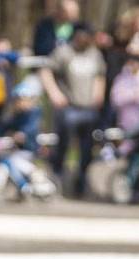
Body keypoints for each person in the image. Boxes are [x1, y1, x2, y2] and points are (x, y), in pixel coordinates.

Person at [41, 22, 105, 198]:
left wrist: (98, 95)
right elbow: (46, 71)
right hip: (69, 107)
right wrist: (54, 93)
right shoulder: (64, 52)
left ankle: (81, 183)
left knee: (87, 149)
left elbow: (100, 76)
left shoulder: (94, 54)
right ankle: (57, 180)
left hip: (88, 108)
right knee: (63, 146)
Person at [109, 49, 139, 204]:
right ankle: (129, 189)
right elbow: (116, 99)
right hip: (127, 124)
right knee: (128, 156)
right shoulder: (122, 78)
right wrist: (133, 95)